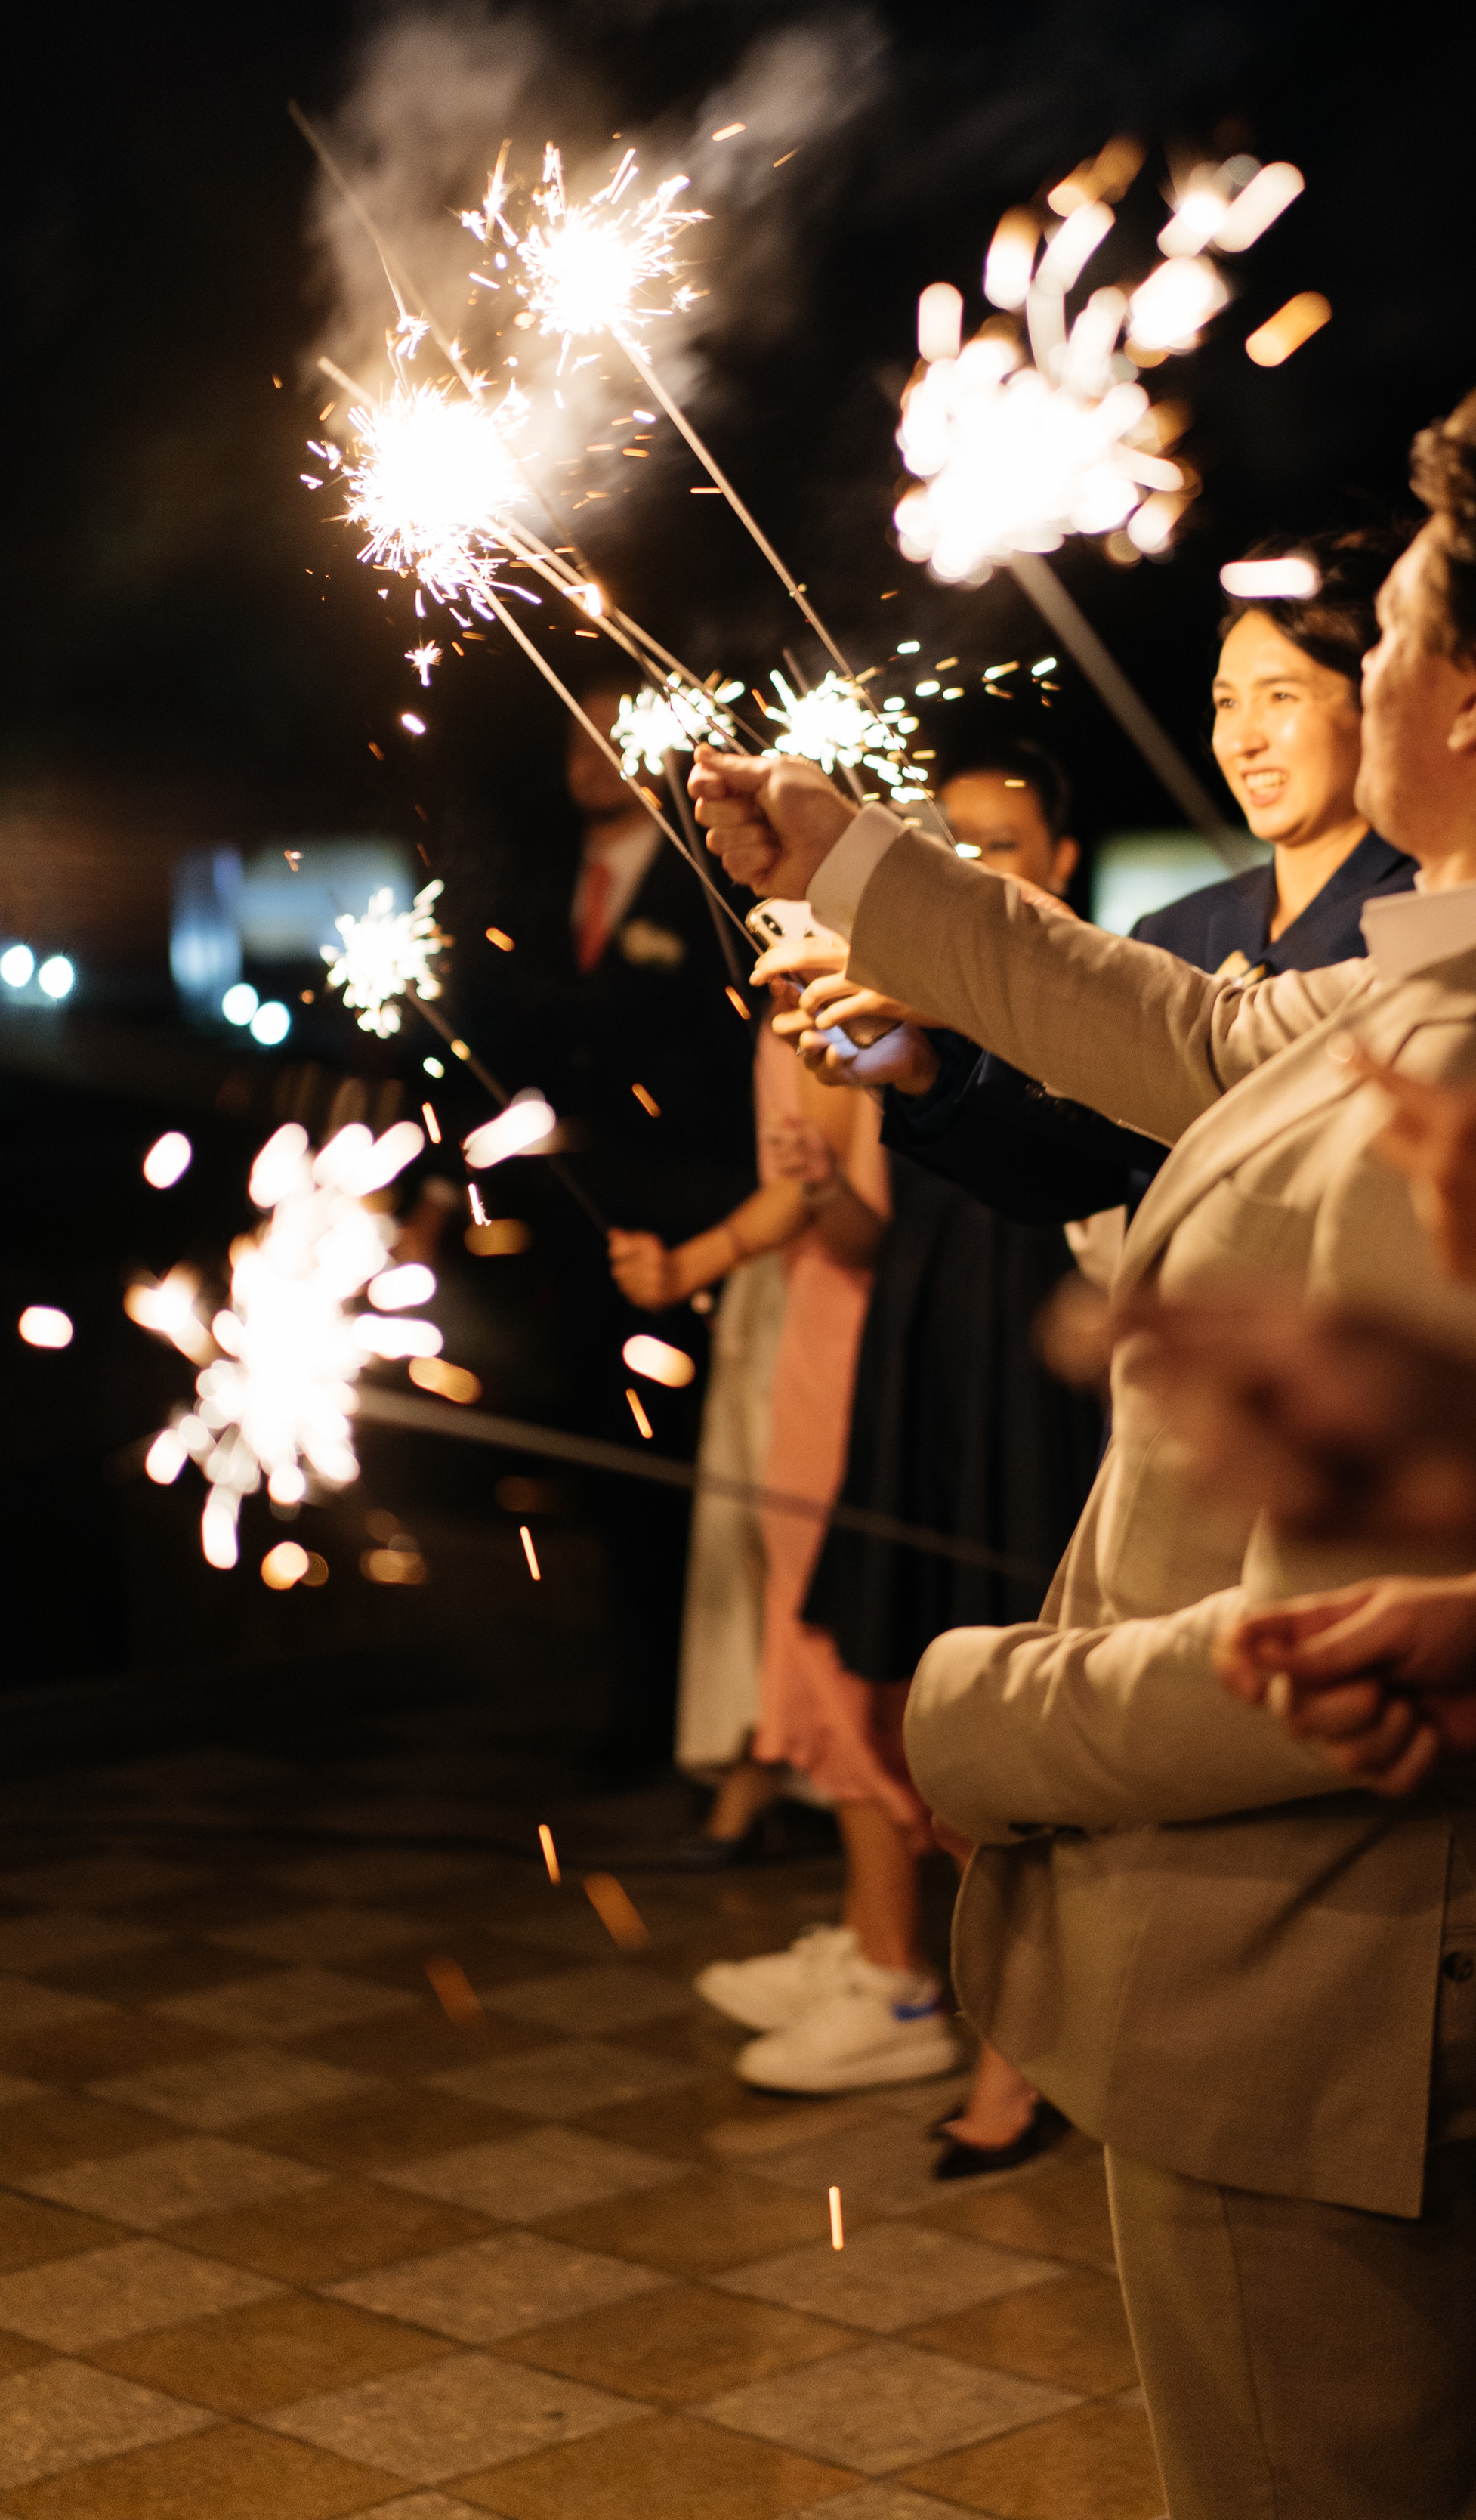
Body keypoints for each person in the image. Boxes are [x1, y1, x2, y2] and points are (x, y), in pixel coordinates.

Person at [689, 364, 1476, 2520]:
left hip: (1330, 1981)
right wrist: (859, 860)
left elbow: (1342, 1665)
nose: (1353, 660)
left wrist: (969, 1715)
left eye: (1389, 627)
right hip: (1353, 1951)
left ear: (1471, 696)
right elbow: (1197, 1033)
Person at [695, 763, 1105, 2173]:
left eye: (1004, 841)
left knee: (1050, 1697)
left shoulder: (1102, 980)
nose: (980, 865)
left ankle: (1024, 2045)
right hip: (933, 1351)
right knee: (944, 1695)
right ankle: (946, 1992)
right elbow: (896, 1180)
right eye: (956, 845)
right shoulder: (912, 975)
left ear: (1062, 849)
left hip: (1046, 1357)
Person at [801, 541, 1417, 1229]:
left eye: (1280, 696)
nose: (1244, 738)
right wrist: (923, 1070)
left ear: (1377, 701)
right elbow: (1091, 1174)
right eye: (1227, 701)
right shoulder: (1174, 930)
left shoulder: (1419, 923)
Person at [451, 679, 757, 1777]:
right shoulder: (539, 892)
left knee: (694, 1473)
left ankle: (718, 1719)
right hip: (575, 1236)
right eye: (573, 734)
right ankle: (638, 1705)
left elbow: (722, 1067)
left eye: (610, 737)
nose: (590, 756)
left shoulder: (704, 888)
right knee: (605, 1472)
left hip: (693, 1230)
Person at [608, 985, 887, 1855]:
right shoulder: (786, 1001)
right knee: (793, 1567)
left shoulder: (825, 1002)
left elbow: (823, 1193)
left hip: (841, 1311)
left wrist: (691, 1262)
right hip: (803, 1292)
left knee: (816, 1577)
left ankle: (884, 1931)